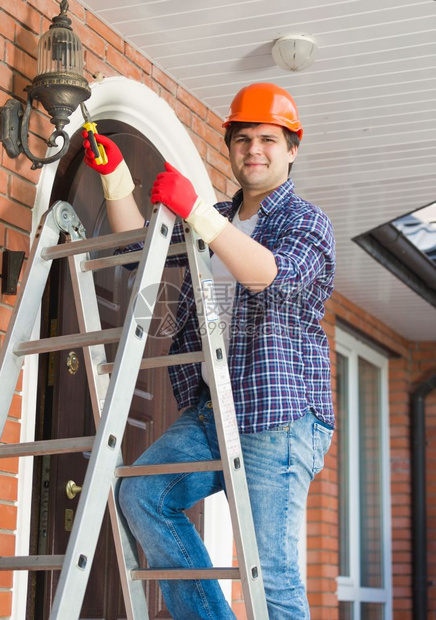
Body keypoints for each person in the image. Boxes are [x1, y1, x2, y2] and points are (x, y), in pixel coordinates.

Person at [83, 82, 336, 619]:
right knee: (143, 497)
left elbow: (270, 275)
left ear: (292, 149)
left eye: (268, 139)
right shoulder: (216, 214)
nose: (254, 150)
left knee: (272, 574)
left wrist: (199, 213)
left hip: (280, 416)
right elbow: (137, 252)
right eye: (242, 139)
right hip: (214, 411)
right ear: (230, 147)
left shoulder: (306, 222)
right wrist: (116, 178)